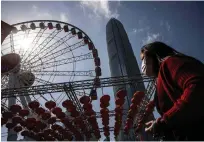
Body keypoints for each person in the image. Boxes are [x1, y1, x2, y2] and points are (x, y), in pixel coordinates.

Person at [140, 41, 204, 141]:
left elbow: (198, 86)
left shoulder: (170, 63)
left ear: (152, 54)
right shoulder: (160, 79)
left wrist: (164, 121)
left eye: (143, 59)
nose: (142, 64)